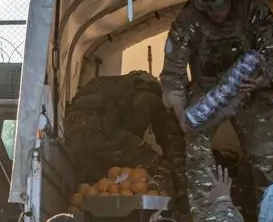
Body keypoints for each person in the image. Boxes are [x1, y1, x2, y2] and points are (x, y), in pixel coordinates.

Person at [160, 0, 273, 222]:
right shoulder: (188, 21)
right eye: (207, 8)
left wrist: (263, 80)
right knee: (196, 155)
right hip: (207, 92)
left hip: (249, 89)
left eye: (219, 6)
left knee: (263, 160)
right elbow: (173, 73)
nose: (214, 15)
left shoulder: (255, 14)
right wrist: (180, 112)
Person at [64, 71, 186, 208]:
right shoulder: (149, 96)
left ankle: (99, 218)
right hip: (103, 132)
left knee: (101, 182)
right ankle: (167, 214)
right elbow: (168, 140)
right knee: (161, 169)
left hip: (73, 135)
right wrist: (180, 178)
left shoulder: (108, 85)